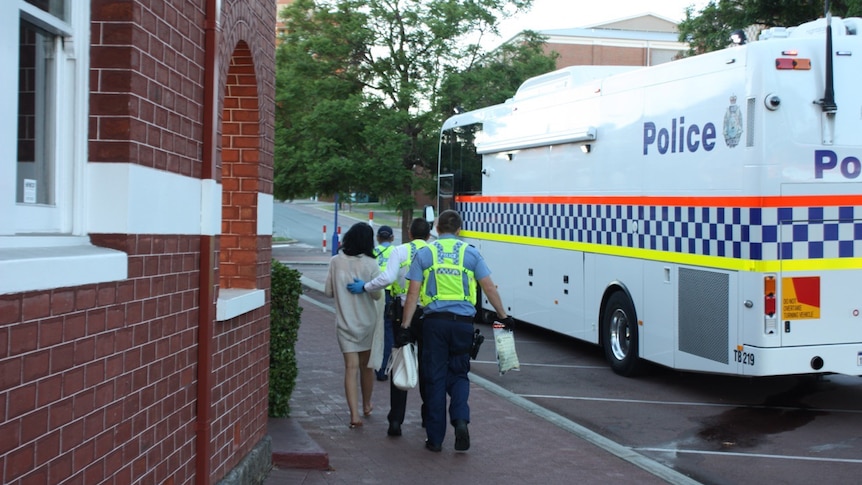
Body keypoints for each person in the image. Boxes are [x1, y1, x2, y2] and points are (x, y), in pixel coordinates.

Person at [400, 210, 514, 452]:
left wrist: (405, 326)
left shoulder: (425, 253)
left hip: (434, 324)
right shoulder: (470, 253)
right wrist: (503, 316)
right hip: (463, 324)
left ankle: (435, 439)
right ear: (459, 229)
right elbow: (489, 287)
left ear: (437, 228)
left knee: (435, 379)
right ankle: (460, 420)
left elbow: (412, 294)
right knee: (460, 374)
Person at [347, 218, 432, 438]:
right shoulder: (435, 250)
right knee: (429, 367)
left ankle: (396, 420)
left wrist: (365, 287)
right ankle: (428, 417)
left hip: (403, 313)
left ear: (409, 233)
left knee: (400, 362)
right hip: (430, 315)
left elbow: (388, 277)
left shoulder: (400, 251)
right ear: (429, 235)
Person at [324, 222, 384, 428]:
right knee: (367, 367)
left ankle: (354, 415)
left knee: (350, 368)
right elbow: (377, 295)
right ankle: (367, 404)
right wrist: (365, 287)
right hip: (367, 322)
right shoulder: (371, 264)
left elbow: (328, 292)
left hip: (344, 322)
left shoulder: (335, 261)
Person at [372, 225, 396, 381]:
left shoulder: (372, 253)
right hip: (390, 296)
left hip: (374, 295)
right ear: (392, 238)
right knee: (388, 332)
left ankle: (372, 364)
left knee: (374, 331)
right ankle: (384, 368)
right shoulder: (396, 252)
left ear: (378, 238)